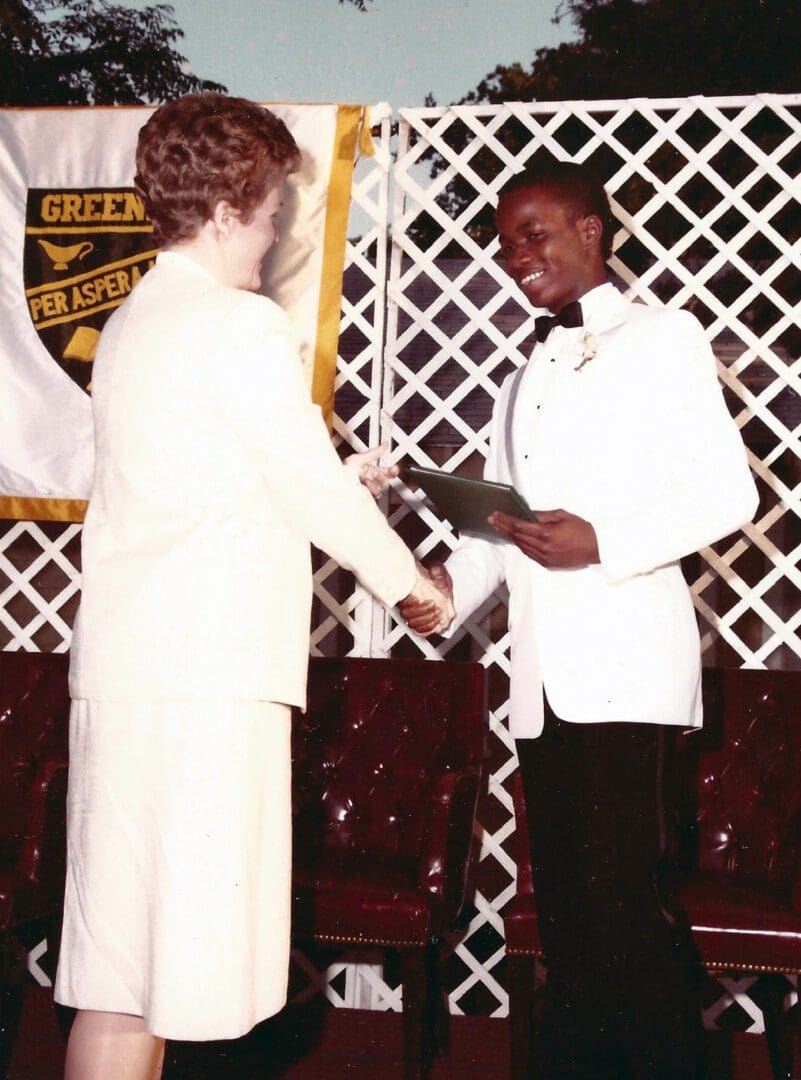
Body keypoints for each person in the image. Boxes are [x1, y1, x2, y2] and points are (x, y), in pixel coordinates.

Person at [53, 93, 451, 1080]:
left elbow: (199, 476)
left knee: (120, 974)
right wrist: (415, 587)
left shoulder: (134, 321)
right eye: (272, 207)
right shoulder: (243, 326)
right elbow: (305, 490)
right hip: (209, 686)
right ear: (230, 208)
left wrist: (325, 474)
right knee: (177, 966)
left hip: (128, 676)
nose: (277, 230)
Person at [401, 159, 758, 1078]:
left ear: (591, 229)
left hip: (629, 671)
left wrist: (604, 539)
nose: (514, 254)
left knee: (624, 911)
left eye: (534, 232)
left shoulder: (661, 336)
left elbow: (726, 492)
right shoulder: (525, 371)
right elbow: (503, 522)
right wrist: (440, 588)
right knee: (568, 917)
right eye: (501, 241)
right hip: (543, 686)